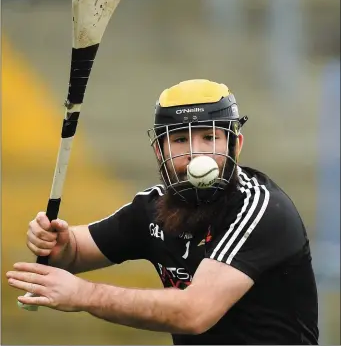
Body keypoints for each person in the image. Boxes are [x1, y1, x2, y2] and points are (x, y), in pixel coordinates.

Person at [7, 79, 319, 345]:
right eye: (180, 139)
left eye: (209, 137)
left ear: (235, 145)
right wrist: (60, 246)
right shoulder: (153, 208)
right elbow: (73, 254)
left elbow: (194, 313)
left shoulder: (261, 209)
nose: (196, 155)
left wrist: (83, 295)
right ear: (160, 151)